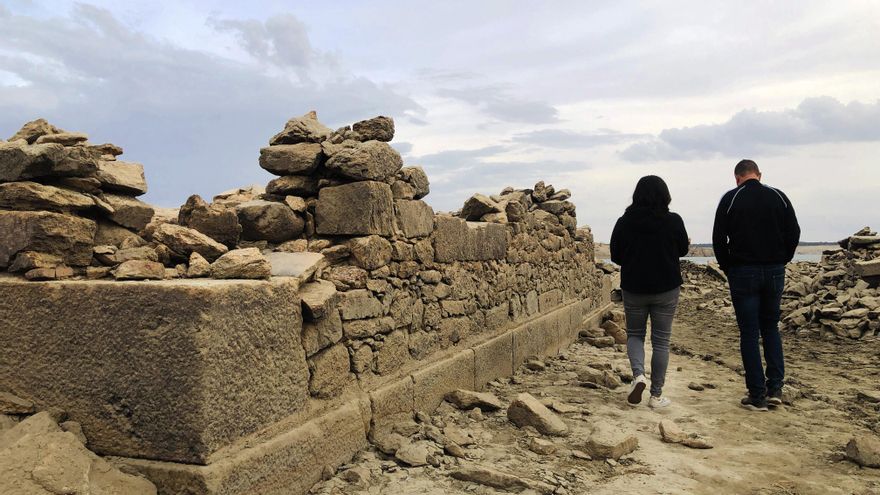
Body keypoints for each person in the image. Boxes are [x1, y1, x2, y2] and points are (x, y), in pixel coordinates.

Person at [712, 159, 800, 412]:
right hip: (774, 269)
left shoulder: (730, 198)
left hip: (743, 270)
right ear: (758, 175)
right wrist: (782, 258)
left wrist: (728, 266)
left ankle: (757, 394)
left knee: (749, 332)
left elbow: (719, 237)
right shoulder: (778, 197)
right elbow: (793, 232)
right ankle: (775, 389)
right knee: (770, 327)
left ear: (737, 177)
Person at [611, 176, 689, 409]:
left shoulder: (624, 221)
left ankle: (638, 376)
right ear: (665, 195)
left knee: (635, 334)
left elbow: (615, 255)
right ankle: (656, 396)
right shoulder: (674, 220)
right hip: (666, 287)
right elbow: (683, 249)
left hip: (634, 287)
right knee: (661, 341)